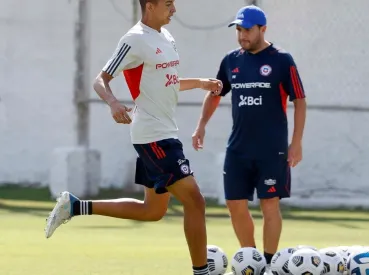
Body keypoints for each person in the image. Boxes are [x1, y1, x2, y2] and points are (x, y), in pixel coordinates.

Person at [44, 1, 222, 274]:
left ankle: (76, 206)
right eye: (167, 4)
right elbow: (100, 79)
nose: (173, 9)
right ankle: (202, 271)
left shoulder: (166, 36)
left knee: (153, 211)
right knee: (195, 201)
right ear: (150, 6)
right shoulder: (134, 39)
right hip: (153, 136)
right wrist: (113, 103)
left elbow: (168, 83)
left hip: (164, 133)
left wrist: (199, 83)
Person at [191, 4, 307, 272]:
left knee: (269, 204)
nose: (242, 35)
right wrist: (201, 126)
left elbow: (299, 99)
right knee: (234, 204)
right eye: (239, 30)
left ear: (262, 29)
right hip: (238, 148)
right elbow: (215, 93)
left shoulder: (282, 60)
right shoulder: (231, 60)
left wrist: (296, 142)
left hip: (272, 149)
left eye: (247, 30)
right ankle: (250, 261)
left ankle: (268, 263)